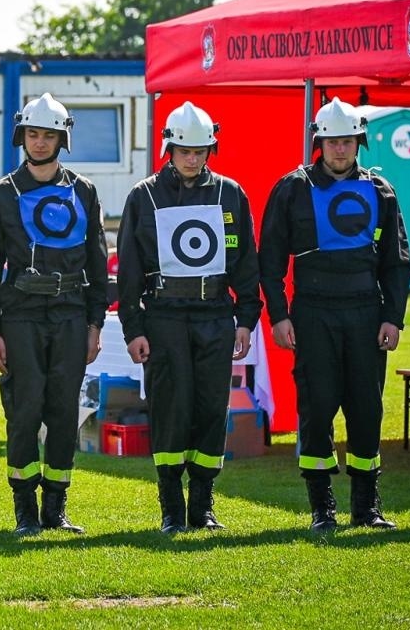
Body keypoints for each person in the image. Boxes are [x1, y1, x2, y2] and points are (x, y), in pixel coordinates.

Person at [258, 98, 410, 531]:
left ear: (358, 142)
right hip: (312, 313)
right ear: (318, 142)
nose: (340, 149)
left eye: (347, 141)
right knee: (318, 406)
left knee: (366, 409)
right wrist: (280, 316)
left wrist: (393, 317)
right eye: (332, 141)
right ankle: (322, 508)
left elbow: (397, 261)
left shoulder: (381, 192)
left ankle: (367, 507)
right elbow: (269, 261)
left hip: (365, 312)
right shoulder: (291, 188)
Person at [116, 101, 261, 532]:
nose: (193, 159)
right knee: (169, 409)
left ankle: (203, 505)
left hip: (215, 314)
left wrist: (246, 318)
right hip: (164, 317)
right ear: (169, 149)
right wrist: (133, 328)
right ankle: (170, 508)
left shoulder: (230, 193)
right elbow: (127, 270)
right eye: (185, 151)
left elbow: (246, 263)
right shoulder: (144, 196)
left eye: (200, 151)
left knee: (211, 409)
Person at [0, 94, 108, 535]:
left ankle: (56, 509)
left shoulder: (84, 192)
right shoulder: (0, 194)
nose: (39, 142)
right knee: (25, 410)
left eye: (48, 134)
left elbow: (96, 259)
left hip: (71, 314)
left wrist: (95, 325)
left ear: (61, 138)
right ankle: (25, 513)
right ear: (22, 136)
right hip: (21, 315)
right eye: (33, 133)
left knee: (63, 413)